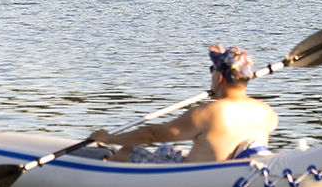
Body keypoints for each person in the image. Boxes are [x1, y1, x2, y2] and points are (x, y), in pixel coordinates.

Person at [89, 45, 279, 163]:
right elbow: (272, 123)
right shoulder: (266, 112)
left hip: (193, 178)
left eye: (213, 69)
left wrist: (109, 138)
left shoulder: (207, 113)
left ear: (220, 78)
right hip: (227, 172)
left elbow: (152, 134)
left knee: (128, 151)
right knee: (167, 150)